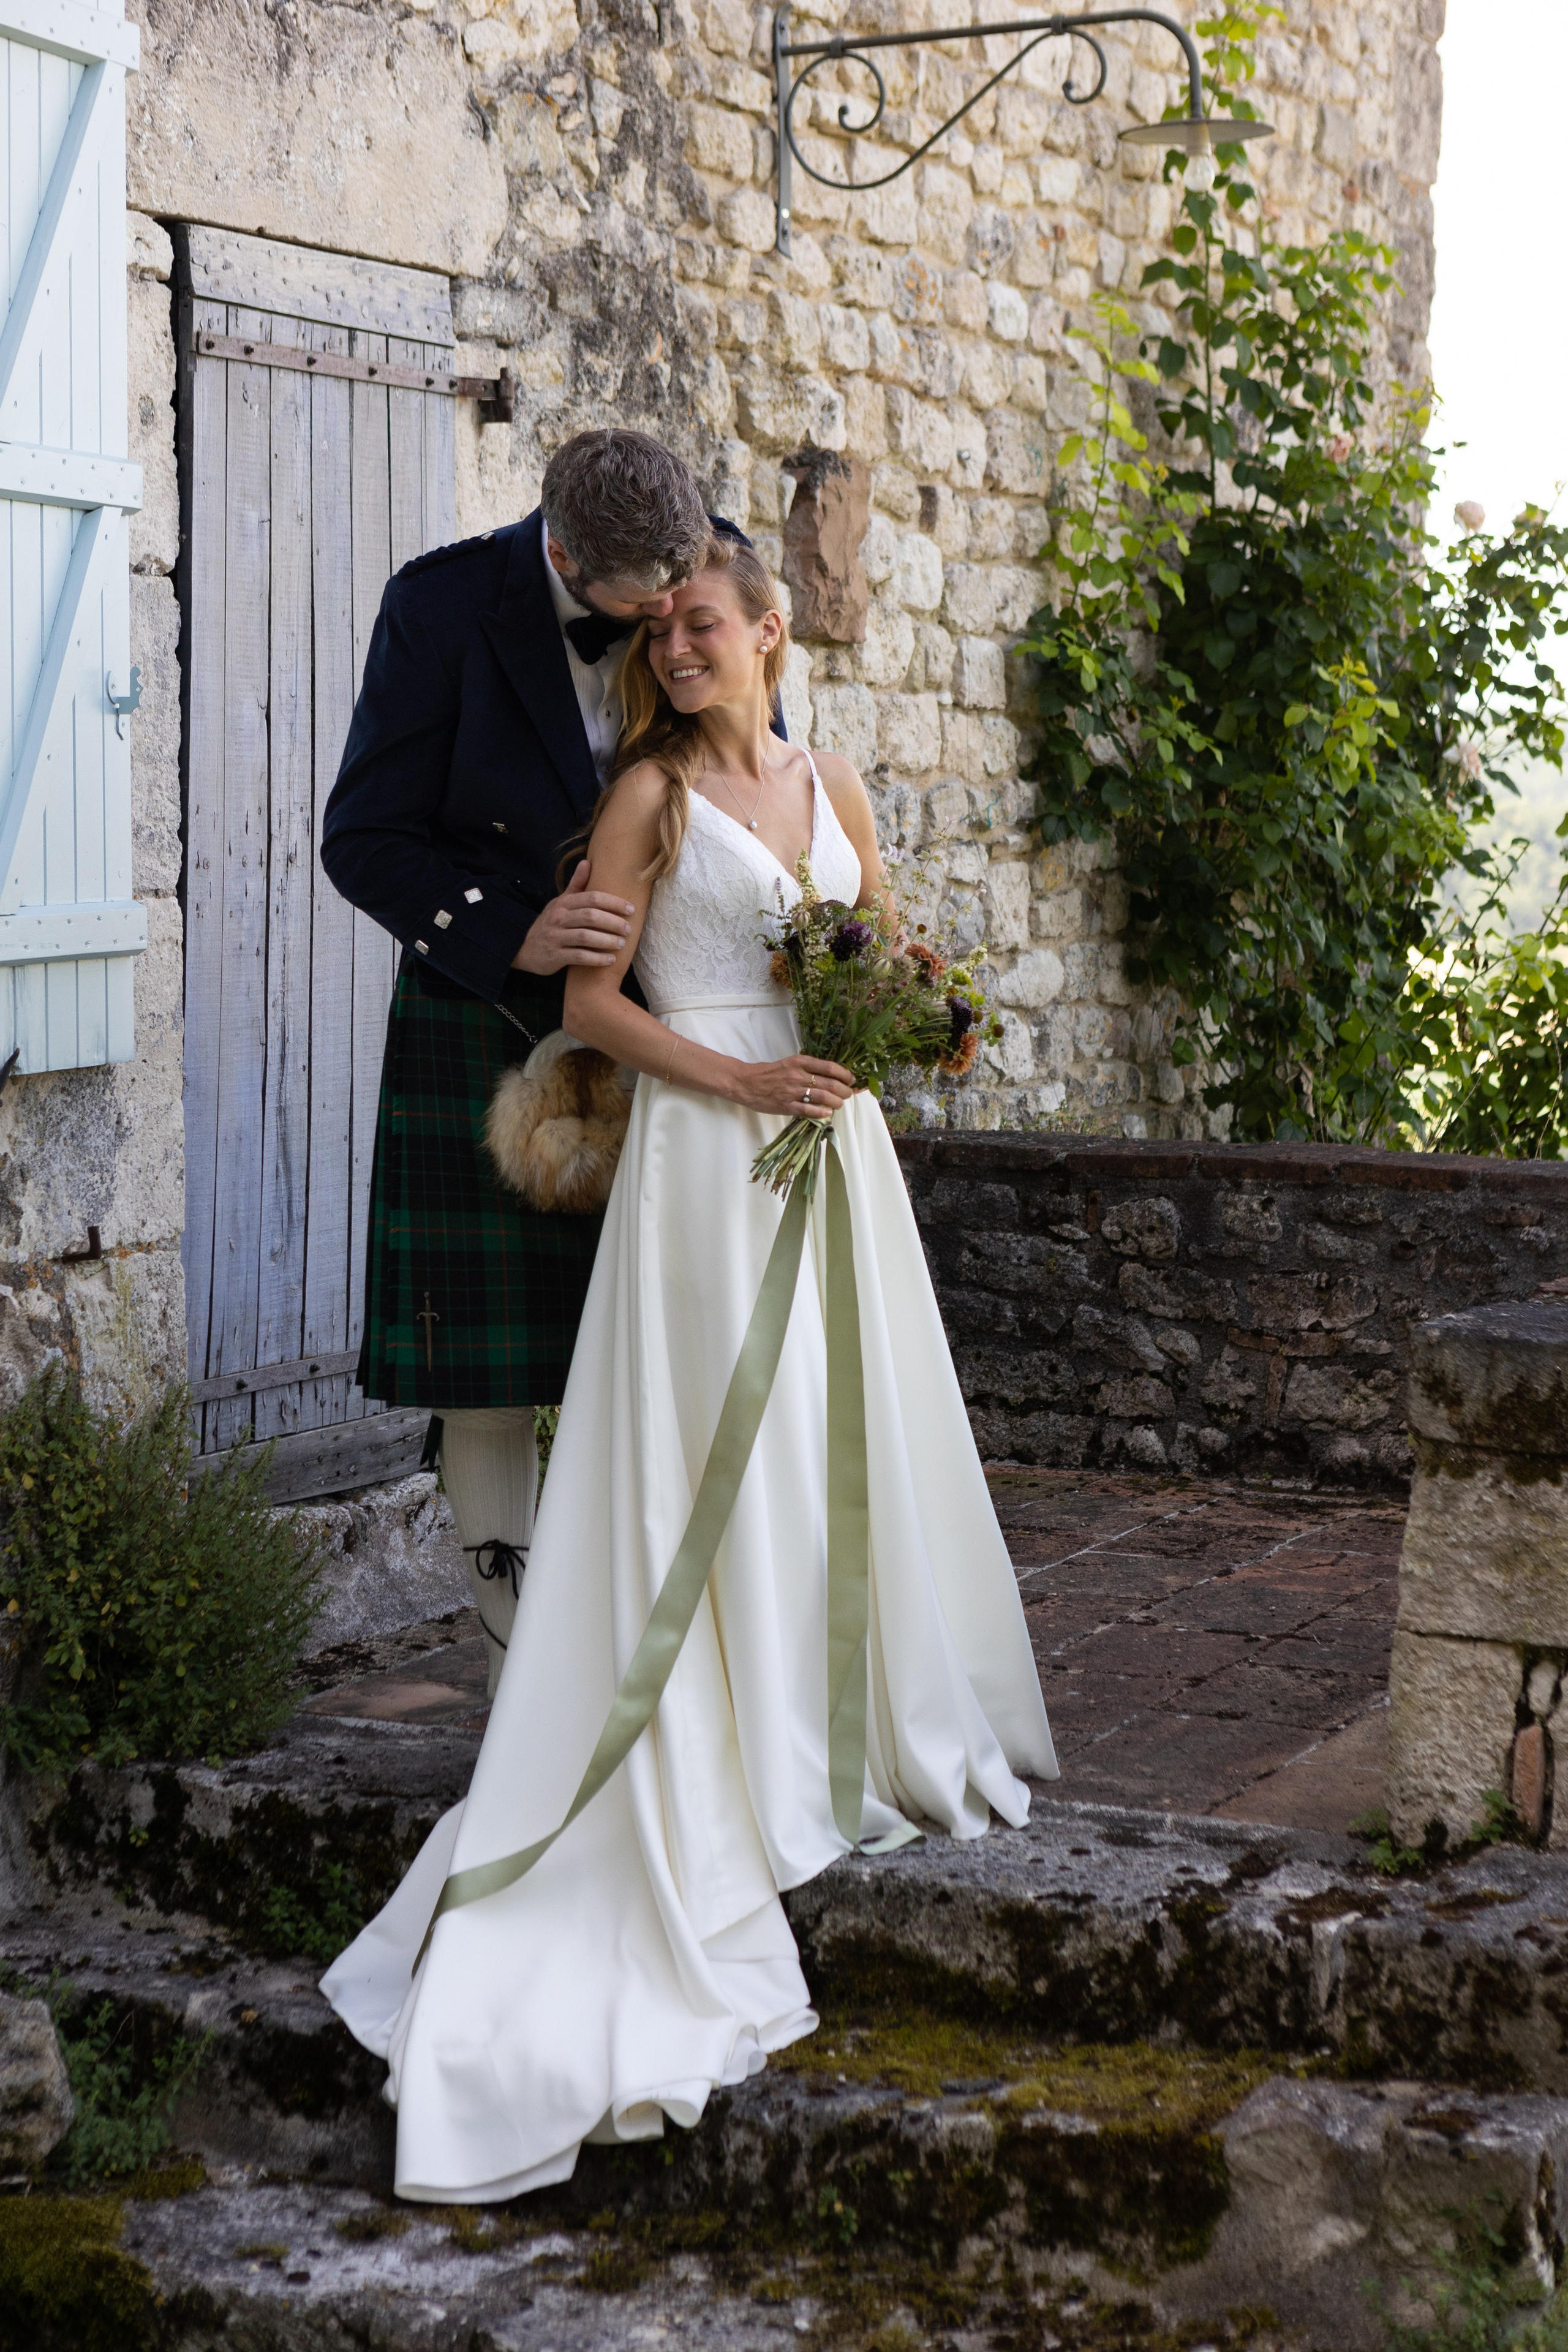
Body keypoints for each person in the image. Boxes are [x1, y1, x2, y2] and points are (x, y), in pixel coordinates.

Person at [322, 533, 1057, 2202]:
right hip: (701, 1164)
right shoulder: (646, 798)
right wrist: (745, 1084)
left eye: (706, 627)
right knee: (703, 1449)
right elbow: (598, 1006)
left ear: (772, 629)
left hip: (828, 1153)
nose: (682, 654)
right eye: (663, 636)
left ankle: (829, 1717)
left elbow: (897, 949)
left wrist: (899, 1028)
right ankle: (694, 1734)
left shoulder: (834, 773)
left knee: (823, 1434)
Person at [322, 431, 758, 1695]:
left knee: (673, 1345)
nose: (672, 623)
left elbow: (740, 771)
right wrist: (509, 927)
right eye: (646, 607)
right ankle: (525, 1691)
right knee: (492, 1372)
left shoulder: (700, 576)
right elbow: (364, 837)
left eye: (686, 591)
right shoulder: (443, 606)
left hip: (668, 1024)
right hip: (489, 1026)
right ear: (566, 553)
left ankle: (673, 1670)